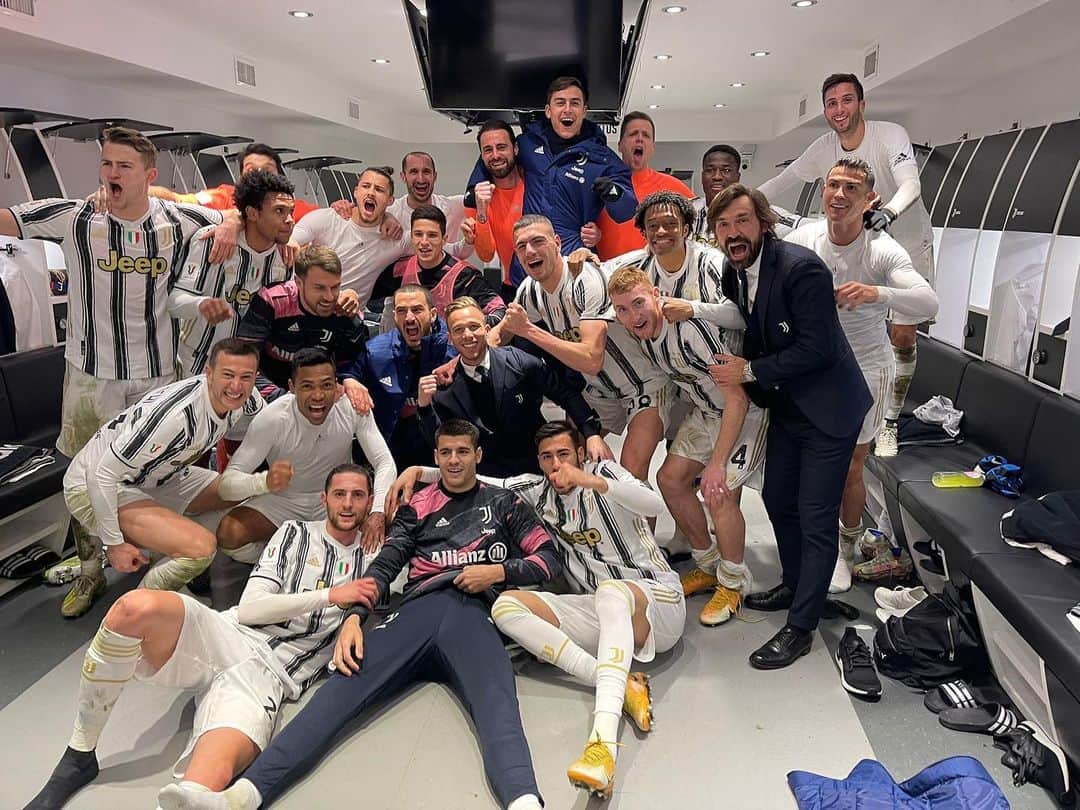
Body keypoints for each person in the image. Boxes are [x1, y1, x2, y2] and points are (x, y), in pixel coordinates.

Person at [165, 419, 558, 810]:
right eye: (446, 452)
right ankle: (245, 794)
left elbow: (548, 559)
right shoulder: (417, 506)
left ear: (478, 455)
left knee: (498, 703)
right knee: (337, 693)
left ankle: (524, 801)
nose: (454, 460)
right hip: (418, 611)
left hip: (473, 613)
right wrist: (354, 617)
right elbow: (386, 564)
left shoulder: (505, 503)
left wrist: (499, 572)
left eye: (462, 452)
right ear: (436, 457)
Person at [24, 463, 378, 810]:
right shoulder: (295, 533)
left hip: (269, 677)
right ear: (324, 499)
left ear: (370, 501)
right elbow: (251, 608)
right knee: (132, 609)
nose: (347, 504)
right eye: (339, 494)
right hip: (225, 634)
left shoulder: (376, 555)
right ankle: (79, 753)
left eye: (358, 495)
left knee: (201, 789)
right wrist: (330, 596)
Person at [0, 125, 237, 617]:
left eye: (124, 166)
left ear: (149, 175)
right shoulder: (76, 215)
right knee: (83, 475)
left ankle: (160, 558)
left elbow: (231, 212)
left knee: (156, 472)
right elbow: (9, 220)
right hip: (90, 377)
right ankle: (89, 570)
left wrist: (231, 225)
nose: (111, 173)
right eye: (106, 163)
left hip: (156, 376)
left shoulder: (177, 219)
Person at [392, 420, 683, 799]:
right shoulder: (537, 491)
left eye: (564, 455)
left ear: (580, 454)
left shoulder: (605, 472)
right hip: (602, 608)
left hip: (657, 601)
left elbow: (654, 503)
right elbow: (483, 479)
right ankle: (617, 683)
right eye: (547, 457)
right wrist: (419, 471)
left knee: (612, 593)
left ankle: (602, 746)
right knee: (506, 607)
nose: (556, 465)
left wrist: (592, 480)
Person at [706, 184, 871, 669]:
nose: (733, 233)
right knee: (778, 499)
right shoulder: (734, 270)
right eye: (723, 225)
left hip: (830, 409)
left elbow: (817, 348)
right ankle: (798, 586)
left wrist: (749, 372)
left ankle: (801, 626)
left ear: (762, 222)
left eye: (742, 221)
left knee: (815, 514)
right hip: (789, 405)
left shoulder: (802, 269)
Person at [759, 72, 935, 457]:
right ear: (825, 110)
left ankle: (889, 422)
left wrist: (888, 213)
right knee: (846, 324)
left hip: (903, 239)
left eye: (847, 100)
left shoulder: (889, 135)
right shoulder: (823, 148)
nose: (839, 109)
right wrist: (740, 202)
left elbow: (911, 183)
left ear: (861, 104)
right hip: (852, 244)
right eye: (832, 103)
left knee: (902, 335)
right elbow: (783, 181)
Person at [785, 158, 938, 591]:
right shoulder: (805, 238)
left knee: (850, 465)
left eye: (851, 188)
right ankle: (810, 542)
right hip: (813, 367)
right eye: (833, 184)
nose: (839, 194)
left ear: (870, 199)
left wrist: (877, 293)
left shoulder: (881, 248)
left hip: (865, 367)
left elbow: (928, 302)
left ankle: (844, 550)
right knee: (804, 462)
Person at [608, 267, 766, 627]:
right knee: (670, 480)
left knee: (717, 491)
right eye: (623, 310)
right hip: (706, 411)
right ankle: (708, 564)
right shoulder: (643, 334)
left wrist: (717, 463)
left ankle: (734, 582)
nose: (633, 315)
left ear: (656, 295)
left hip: (743, 413)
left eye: (638, 303)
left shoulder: (690, 330)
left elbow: (737, 399)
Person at [60, 339, 264, 602]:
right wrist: (114, 544)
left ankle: (172, 552)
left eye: (245, 377)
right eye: (228, 375)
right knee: (201, 548)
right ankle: (135, 613)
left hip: (155, 476)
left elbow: (271, 430)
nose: (236, 386)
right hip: (93, 484)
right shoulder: (175, 418)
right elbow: (101, 474)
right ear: (209, 372)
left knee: (238, 489)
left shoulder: (247, 400)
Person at [490, 215, 669, 480]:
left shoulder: (584, 278)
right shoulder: (529, 290)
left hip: (642, 385)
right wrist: (460, 359)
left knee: (630, 475)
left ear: (557, 243)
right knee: (566, 461)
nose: (530, 251)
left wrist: (528, 330)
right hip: (598, 392)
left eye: (538, 241)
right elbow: (500, 334)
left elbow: (592, 360)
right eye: (521, 246)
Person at [215, 348, 396, 567]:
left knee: (393, 516)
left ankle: (324, 557)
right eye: (307, 386)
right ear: (292, 388)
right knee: (229, 533)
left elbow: (384, 461)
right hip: (284, 501)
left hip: (337, 498)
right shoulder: (272, 419)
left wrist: (377, 511)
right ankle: (285, 560)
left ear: (336, 385)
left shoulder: (353, 406)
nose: (318, 396)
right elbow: (227, 484)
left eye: (326, 385)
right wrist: (263, 482)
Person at [420, 297, 608, 475]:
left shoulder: (519, 362)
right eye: (459, 330)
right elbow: (440, 442)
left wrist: (591, 433)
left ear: (486, 329)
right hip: (485, 478)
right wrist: (424, 407)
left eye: (474, 327)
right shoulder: (444, 386)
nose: (467, 335)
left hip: (535, 467)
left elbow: (565, 394)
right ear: (450, 338)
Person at [467, 77, 637, 255]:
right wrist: (473, 189)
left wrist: (614, 192)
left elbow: (626, 211)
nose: (567, 109)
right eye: (560, 103)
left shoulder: (602, 158)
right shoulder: (528, 144)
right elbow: (497, 156)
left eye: (575, 103)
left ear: (584, 111)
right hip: (530, 254)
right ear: (548, 111)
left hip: (572, 256)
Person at [170, 169, 295, 378]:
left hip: (250, 369)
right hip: (197, 362)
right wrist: (201, 304)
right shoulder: (212, 240)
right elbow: (173, 302)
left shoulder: (287, 256)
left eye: (291, 211)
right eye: (279, 211)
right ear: (252, 213)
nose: (290, 219)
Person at [341, 285, 456, 469]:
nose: (409, 317)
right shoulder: (375, 352)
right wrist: (349, 380)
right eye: (402, 311)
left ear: (433, 314)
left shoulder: (454, 351)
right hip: (387, 452)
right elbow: (346, 372)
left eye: (417, 310)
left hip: (441, 453)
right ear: (394, 316)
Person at [236, 245, 369, 396]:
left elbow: (353, 364)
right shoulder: (273, 301)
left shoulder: (346, 311)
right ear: (298, 282)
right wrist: (279, 398)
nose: (329, 297)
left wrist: (346, 381)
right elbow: (243, 360)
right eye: (319, 288)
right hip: (270, 389)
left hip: (320, 393)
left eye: (335, 287)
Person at [369, 204, 505, 330]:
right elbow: (367, 296)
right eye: (418, 234)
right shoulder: (399, 270)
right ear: (411, 237)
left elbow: (500, 311)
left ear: (444, 239)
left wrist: (467, 325)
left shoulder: (465, 276)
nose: (424, 242)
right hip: (409, 346)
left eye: (432, 235)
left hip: (451, 347)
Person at [289, 167, 413, 303]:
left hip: (349, 311)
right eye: (366, 186)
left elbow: (427, 237)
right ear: (356, 192)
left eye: (379, 190)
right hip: (304, 303)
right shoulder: (326, 219)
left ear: (390, 200)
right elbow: (288, 241)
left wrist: (388, 216)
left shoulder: (395, 238)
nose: (371, 193)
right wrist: (291, 244)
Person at [594, 111, 693, 260]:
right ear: (620, 145)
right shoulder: (601, 186)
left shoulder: (675, 189)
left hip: (657, 271)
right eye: (633, 134)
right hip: (608, 270)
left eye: (646, 135)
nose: (639, 139)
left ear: (652, 147)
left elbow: (696, 231)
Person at [144, 142, 321, 221]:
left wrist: (337, 208)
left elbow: (331, 218)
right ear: (240, 178)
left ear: (280, 176)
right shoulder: (225, 196)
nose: (259, 175)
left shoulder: (298, 209)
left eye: (267, 170)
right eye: (251, 169)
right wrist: (137, 190)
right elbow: (176, 199)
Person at [689, 144, 803, 246]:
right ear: (702, 177)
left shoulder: (759, 211)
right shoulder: (686, 211)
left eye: (726, 170)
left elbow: (807, 228)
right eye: (710, 170)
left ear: (737, 177)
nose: (717, 176)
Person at [467, 119, 526, 300]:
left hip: (549, 284)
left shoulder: (536, 184)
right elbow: (486, 255)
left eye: (501, 147)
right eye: (488, 150)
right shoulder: (477, 197)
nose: (495, 155)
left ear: (515, 149)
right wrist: (482, 211)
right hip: (513, 289)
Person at [385, 151, 476, 260]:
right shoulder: (391, 211)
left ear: (435, 176)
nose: (421, 179)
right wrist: (385, 216)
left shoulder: (454, 205)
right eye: (414, 172)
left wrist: (469, 240)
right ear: (403, 176)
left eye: (426, 172)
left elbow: (456, 252)